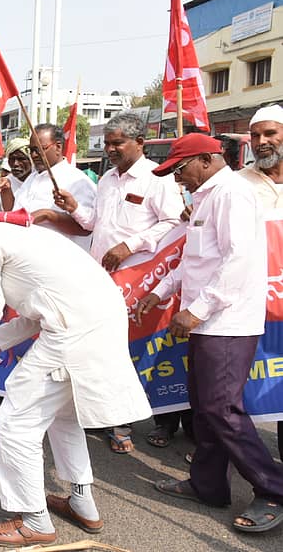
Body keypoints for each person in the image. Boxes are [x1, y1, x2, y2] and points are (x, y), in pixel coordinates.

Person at [0, 191, 151, 547]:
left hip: (73, 330)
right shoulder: (20, 232)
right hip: (94, 321)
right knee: (63, 416)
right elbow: (38, 311)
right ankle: (82, 503)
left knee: (15, 422)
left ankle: (34, 520)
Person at [136, 133, 283, 534]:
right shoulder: (205, 197)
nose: (177, 179)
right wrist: (160, 291)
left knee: (222, 409)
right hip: (207, 322)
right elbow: (194, 261)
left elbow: (238, 261)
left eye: (179, 169)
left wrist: (196, 311)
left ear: (205, 160)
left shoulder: (232, 193)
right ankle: (208, 485)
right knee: (203, 407)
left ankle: (273, 489)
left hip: (227, 323)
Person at [54, 112, 184, 454]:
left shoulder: (158, 178)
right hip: (103, 278)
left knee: (135, 350)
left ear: (139, 143)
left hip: (142, 279)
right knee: (105, 349)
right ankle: (107, 416)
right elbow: (95, 224)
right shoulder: (107, 179)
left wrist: (131, 246)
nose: (110, 149)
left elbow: (173, 223)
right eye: (108, 144)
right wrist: (74, 208)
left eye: (118, 143)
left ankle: (132, 422)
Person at [240, 104, 283, 461]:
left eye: (270, 133)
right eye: (255, 136)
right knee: (250, 383)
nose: (261, 142)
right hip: (253, 305)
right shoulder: (237, 184)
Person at [3, 123, 96, 249]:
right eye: (31, 150)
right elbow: (15, 214)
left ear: (58, 147)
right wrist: (6, 191)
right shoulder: (32, 178)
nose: (34, 155)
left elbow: (86, 228)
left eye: (40, 149)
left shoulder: (78, 180)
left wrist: (49, 215)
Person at [0, 137, 32, 209]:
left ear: (30, 160)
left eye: (21, 159)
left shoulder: (39, 179)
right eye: (12, 159)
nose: (15, 163)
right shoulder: (3, 184)